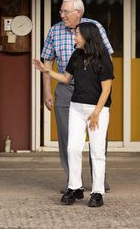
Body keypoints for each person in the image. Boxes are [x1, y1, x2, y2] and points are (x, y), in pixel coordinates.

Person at [34, 22, 114, 207]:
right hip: (76, 108)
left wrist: (96, 113)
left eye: (77, 34)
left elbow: (106, 89)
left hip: (97, 111)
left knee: (97, 152)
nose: (74, 37)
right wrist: (47, 70)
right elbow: (66, 78)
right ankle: (75, 187)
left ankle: (97, 192)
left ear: (87, 36)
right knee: (73, 148)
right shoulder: (76, 55)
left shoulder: (103, 58)